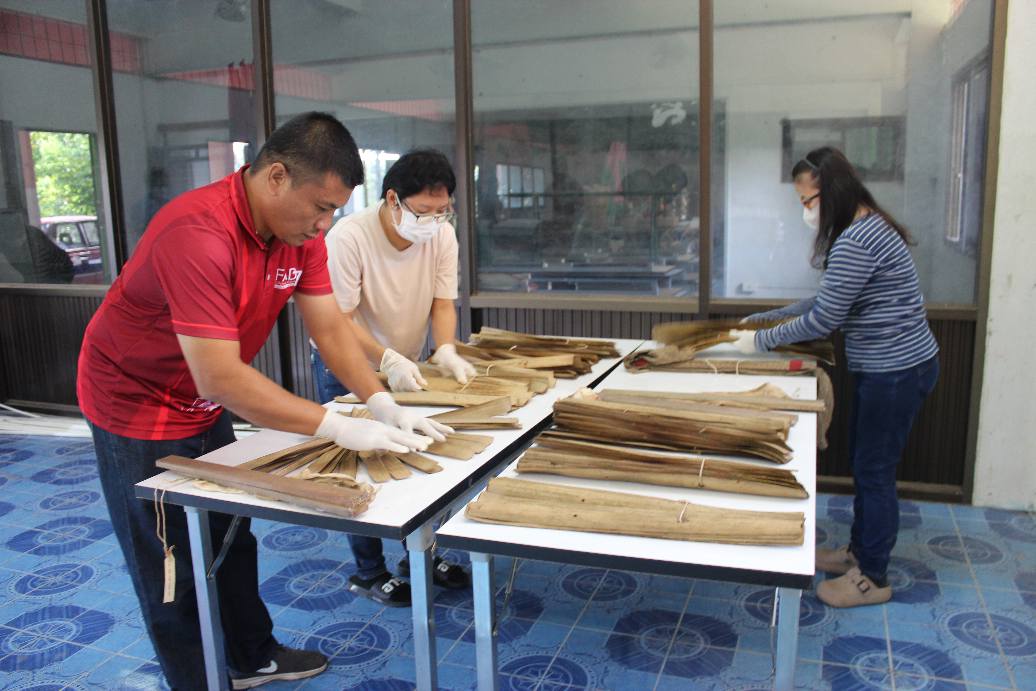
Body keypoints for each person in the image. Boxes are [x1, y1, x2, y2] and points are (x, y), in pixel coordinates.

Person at [77, 112, 450, 690]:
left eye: (335, 211)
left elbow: (330, 329)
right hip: (136, 402)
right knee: (170, 560)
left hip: (201, 402)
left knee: (230, 534)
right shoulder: (197, 232)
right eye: (320, 207)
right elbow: (220, 378)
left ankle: (252, 657)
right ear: (276, 176)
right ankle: (196, 681)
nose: (325, 224)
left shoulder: (301, 237)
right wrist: (334, 425)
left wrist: (379, 400)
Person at [731, 146, 939, 609]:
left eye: (807, 200)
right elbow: (824, 301)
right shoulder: (866, 227)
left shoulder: (858, 240)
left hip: (896, 371)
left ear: (832, 191)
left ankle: (873, 577)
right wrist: (767, 319)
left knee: (875, 471)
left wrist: (760, 342)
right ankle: (857, 554)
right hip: (891, 367)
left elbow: (824, 319)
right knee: (868, 466)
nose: (805, 211)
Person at [312, 148, 473, 606]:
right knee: (359, 466)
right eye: (423, 211)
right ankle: (369, 571)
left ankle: (419, 555)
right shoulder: (349, 237)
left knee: (414, 457)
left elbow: (443, 302)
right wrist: (386, 358)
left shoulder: (441, 235)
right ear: (392, 199)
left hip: (406, 362)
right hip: (348, 363)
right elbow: (339, 320)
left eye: (442, 211)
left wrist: (445, 347)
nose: (433, 221)